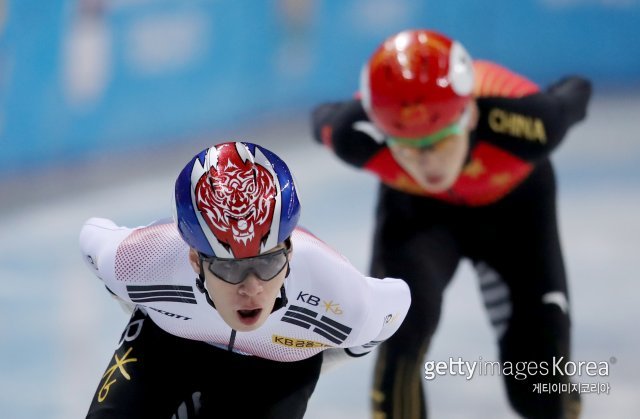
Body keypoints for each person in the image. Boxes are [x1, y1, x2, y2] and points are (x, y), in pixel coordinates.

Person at [310, 29, 592, 419]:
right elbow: (321, 118)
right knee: (400, 338)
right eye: (406, 147)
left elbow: (575, 92)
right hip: (420, 217)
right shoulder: (353, 135)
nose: (427, 163)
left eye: (441, 141)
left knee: (540, 391)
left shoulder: (530, 122)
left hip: (516, 216)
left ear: (471, 113)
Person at [79, 141, 411, 419]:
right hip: (167, 347)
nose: (252, 288)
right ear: (195, 260)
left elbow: (396, 306)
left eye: (268, 263)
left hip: (273, 373)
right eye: (231, 268)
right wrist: (144, 302)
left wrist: (319, 356)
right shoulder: (141, 261)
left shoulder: (340, 295)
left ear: (290, 251)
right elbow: (92, 238)